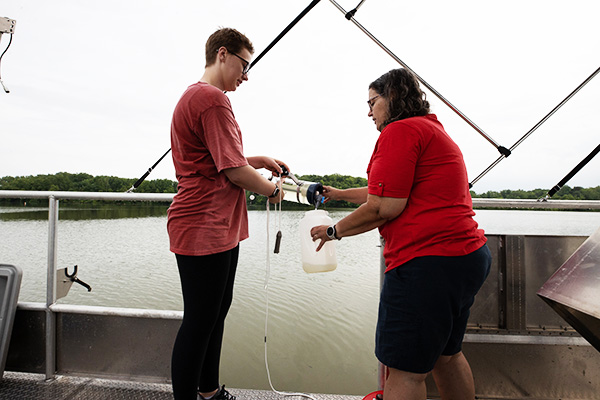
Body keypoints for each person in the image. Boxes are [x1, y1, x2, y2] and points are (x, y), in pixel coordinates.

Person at [310, 68, 491, 400]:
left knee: (405, 372)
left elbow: (384, 207)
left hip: (427, 264)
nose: (369, 111)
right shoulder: (430, 129)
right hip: (466, 257)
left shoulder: (399, 131)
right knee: (446, 357)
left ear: (391, 97)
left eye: (372, 102)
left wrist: (334, 231)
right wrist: (338, 194)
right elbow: (388, 192)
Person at [167, 28, 287, 400]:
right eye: (243, 64)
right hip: (205, 225)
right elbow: (234, 172)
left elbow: (220, 161)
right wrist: (273, 189)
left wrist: (260, 159)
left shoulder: (197, 96)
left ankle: (209, 391)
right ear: (223, 54)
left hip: (216, 226)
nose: (245, 75)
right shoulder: (212, 100)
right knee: (200, 321)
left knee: (214, 315)